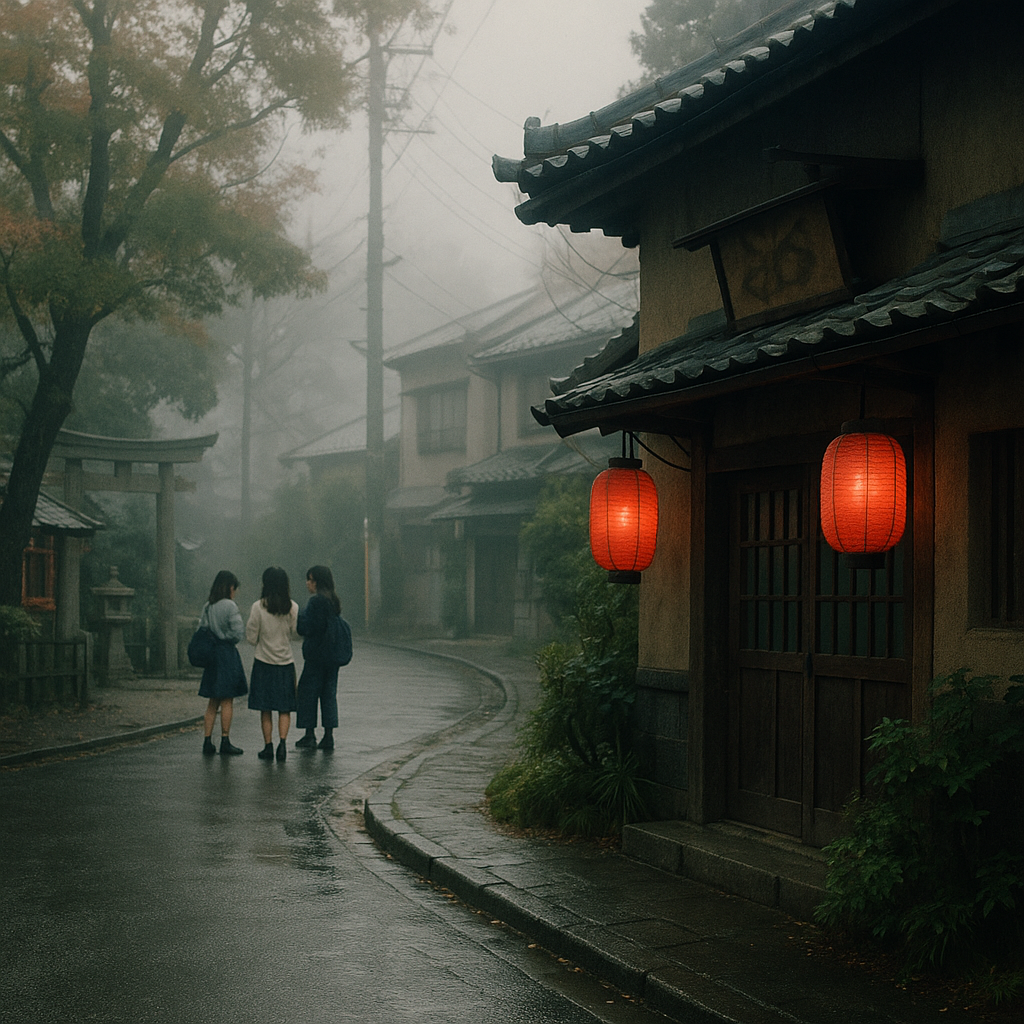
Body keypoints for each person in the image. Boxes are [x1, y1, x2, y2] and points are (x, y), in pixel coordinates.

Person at [246, 566, 299, 762]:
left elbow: (251, 637)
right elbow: (295, 634)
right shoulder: (292, 607)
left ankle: (268, 746)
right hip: (285, 663)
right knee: (284, 708)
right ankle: (282, 744)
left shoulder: (257, 607)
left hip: (263, 663)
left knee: (265, 708)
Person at [198, 570, 248, 756]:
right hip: (226, 655)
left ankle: (207, 741)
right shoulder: (230, 606)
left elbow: (201, 629)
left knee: (212, 701)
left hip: (212, 656)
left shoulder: (208, 606)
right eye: (234, 588)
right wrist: (225, 638)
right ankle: (225, 740)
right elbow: (237, 632)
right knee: (227, 699)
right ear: (229, 587)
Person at [295, 564, 342, 751]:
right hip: (332, 658)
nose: (307, 583)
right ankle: (328, 735)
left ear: (317, 582)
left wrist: (298, 619)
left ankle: (309, 734)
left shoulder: (315, 602)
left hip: (315, 657)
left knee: (308, 694)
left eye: (310, 580)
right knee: (329, 695)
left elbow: (307, 627)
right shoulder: (334, 601)